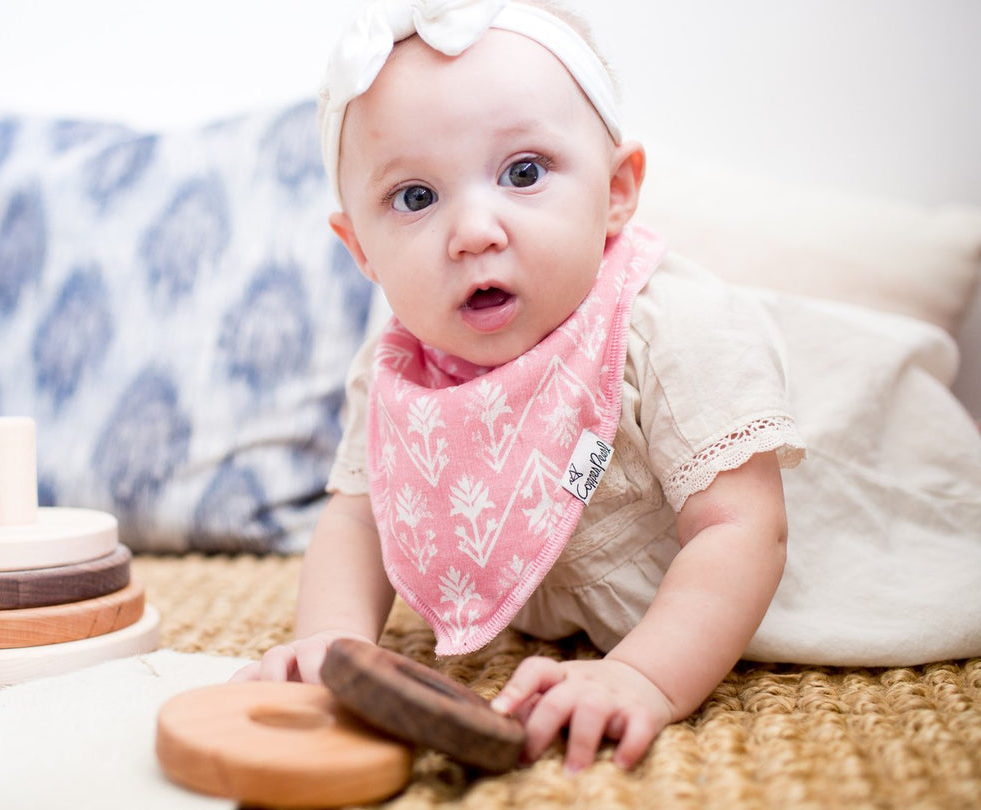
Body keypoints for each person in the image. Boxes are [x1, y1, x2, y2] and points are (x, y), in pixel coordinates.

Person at [233, 0, 981, 775]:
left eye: (524, 173)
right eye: (415, 197)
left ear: (618, 189)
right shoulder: (396, 374)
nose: (475, 230)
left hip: (845, 505)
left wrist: (642, 675)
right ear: (360, 247)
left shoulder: (672, 332)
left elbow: (742, 528)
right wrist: (333, 644)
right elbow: (360, 519)